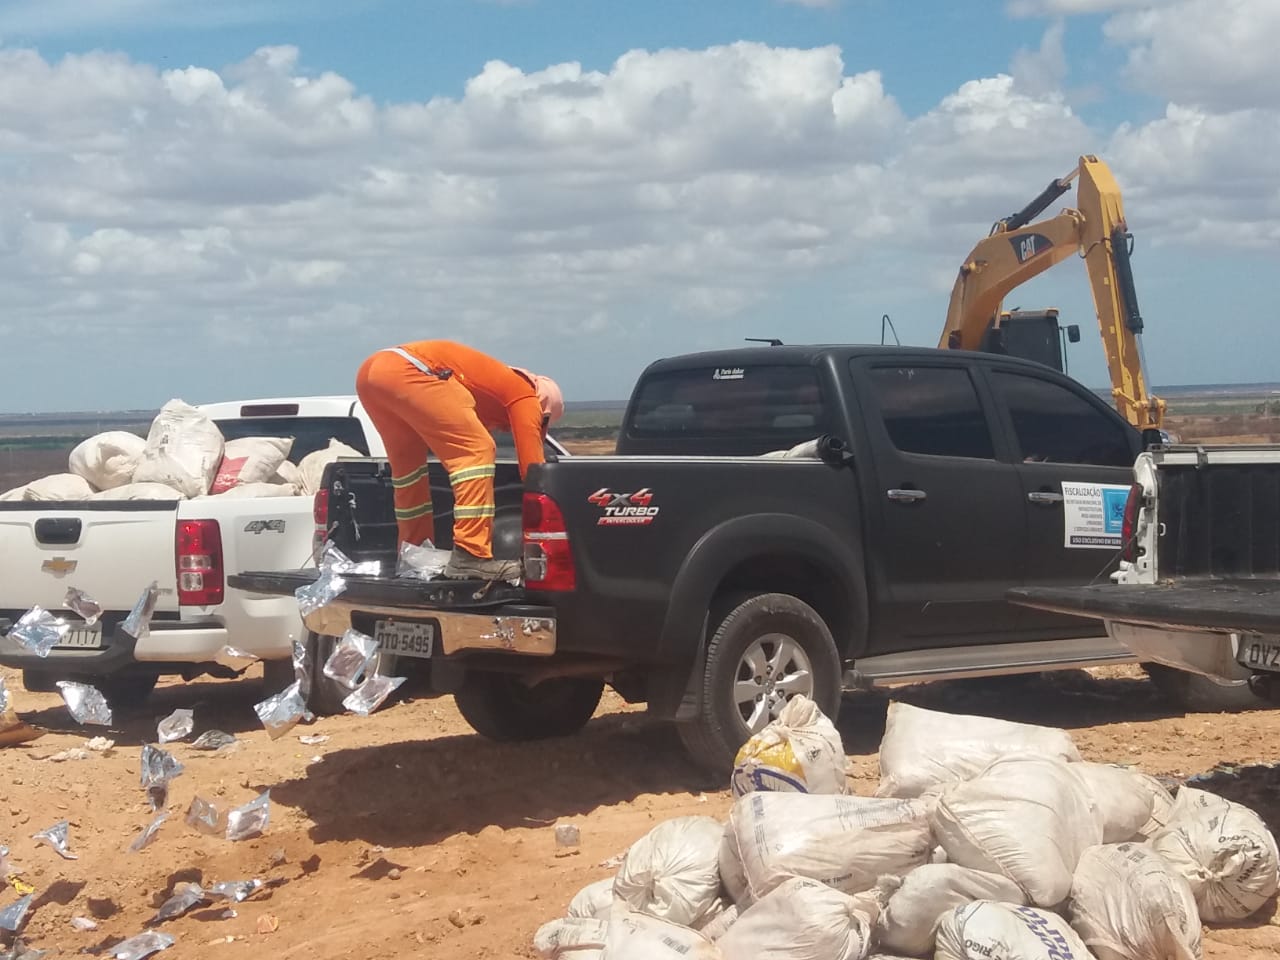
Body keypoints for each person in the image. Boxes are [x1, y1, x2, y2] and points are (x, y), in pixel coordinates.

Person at [355, 339, 565, 581]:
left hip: (373, 373)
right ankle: (470, 555)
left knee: (408, 471)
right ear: (544, 411)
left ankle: (413, 553)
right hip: (410, 369)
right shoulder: (526, 393)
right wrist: (555, 500)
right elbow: (532, 471)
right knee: (477, 450)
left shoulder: (490, 390)